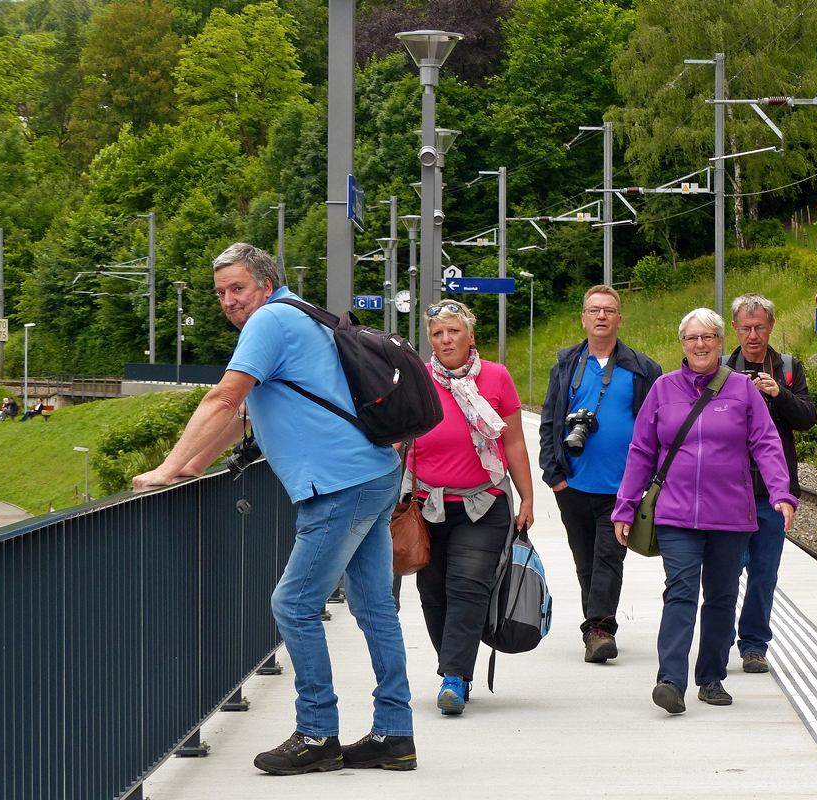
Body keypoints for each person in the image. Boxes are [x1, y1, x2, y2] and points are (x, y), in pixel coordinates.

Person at [132, 243, 416, 775]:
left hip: (339, 485)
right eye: (220, 293)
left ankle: (316, 733)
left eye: (237, 288)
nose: (229, 301)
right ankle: (394, 733)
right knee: (375, 608)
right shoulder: (298, 314)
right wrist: (196, 463)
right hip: (372, 472)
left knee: (293, 605)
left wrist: (167, 469)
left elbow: (219, 399)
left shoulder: (269, 323)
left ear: (264, 283)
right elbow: (241, 410)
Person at [612, 308, 796, 715]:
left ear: (718, 342)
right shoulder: (662, 389)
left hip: (731, 514)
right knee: (680, 591)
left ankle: (710, 678)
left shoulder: (742, 390)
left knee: (721, 596)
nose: (700, 344)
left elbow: (766, 443)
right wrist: (624, 508)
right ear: (683, 344)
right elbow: (642, 451)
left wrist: (781, 492)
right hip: (676, 514)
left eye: (707, 337)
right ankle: (670, 680)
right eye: (692, 338)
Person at [408, 300, 534, 716]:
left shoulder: (496, 378)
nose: (446, 340)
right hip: (425, 505)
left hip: (484, 502)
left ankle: (454, 678)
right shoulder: (417, 380)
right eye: (438, 334)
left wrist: (528, 495)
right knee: (432, 592)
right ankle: (454, 667)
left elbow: (513, 440)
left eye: (454, 332)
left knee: (468, 586)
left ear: (470, 336)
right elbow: (396, 438)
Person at [539, 285, 661, 663]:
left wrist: (648, 482)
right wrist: (554, 476)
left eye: (609, 310)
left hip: (621, 489)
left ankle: (600, 631)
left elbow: (657, 427)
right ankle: (596, 625)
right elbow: (548, 423)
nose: (602, 316)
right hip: (572, 484)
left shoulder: (642, 369)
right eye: (594, 310)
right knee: (585, 560)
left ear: (620, 319)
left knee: (610, 558)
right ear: (584, 318)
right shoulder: (566, 366)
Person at [725, 293, 817, 674]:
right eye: (745, 328)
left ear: (771, 327)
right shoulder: (719, 368)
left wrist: (778, 394)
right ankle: (719, 638)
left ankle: (754, 645)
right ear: (734, 329)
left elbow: (808, 419)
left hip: (772, 491)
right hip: (728, 490)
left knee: (764, 572)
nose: (752, 335)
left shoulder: (788, 368)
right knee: (727, 570)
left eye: (759, 327)